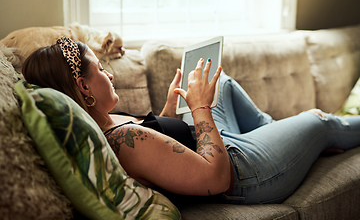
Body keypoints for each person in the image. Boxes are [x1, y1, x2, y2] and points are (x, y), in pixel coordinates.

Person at [22, 37, 360, 205]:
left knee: (222, 83)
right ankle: (312, 137)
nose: (109, 74)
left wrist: (169, 110)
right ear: (84, 87)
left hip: (218, 143)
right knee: (318, 120)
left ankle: (280, 136)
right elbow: (216, 177)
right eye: (100, 69)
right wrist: (199, 108)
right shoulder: (125, 145)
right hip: (242, 171)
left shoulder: (109, 123)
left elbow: (162, 145)